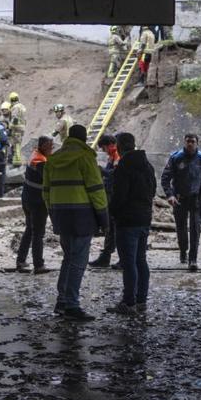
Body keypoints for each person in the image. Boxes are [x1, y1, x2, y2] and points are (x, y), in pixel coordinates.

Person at [43, 124, 108, 322]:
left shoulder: (52, 160)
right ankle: (72, 305)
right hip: (82, 216)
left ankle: (62, 301)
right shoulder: (86, 158)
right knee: (78, 261)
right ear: (84, 138)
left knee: (68, 258)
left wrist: (53, 215)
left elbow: (46, 193)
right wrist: (104, 218)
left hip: (61, 215)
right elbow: (97, 190)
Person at [106, 132, 156, 315]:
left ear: (120, 146)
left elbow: (119, 196)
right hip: (144, 218)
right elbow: (153, 190)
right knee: (140, 260)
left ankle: (128, 302)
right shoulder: (147, 165)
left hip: (127, 221)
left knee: (129, 263)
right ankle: (141, 300)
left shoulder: (124, 166)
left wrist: (112, 213)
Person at [161, 134, 201, 271]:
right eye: (188, 141)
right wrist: (170, 195)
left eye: (192, 142)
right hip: (180, 198)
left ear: (197, 143)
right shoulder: (176, 158)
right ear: (184, 142)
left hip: (196, 199)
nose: (190, 144)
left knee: (195, 229)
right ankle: (183, 251)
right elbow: (165, 178)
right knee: (181, 228)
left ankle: (193, 259)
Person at [17, 136, 54, 274]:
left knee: (29, 230)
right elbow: (49, 178)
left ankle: (20, 261)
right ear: (43, 145)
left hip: (27, 198)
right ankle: (38, 265)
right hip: (37, 201)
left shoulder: (35, 154)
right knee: (38, 233)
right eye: (50, 146)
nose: (52, 148)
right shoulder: (40, 160)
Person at [89, 134, 120, 268]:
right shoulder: (113, 155)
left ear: (108, 145)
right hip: (110, 195)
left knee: (113, 227)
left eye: (103, 148)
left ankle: (111, 257)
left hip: (114, 196)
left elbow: (116, 174)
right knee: (111, 227)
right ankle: (106, 256)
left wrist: (102, 171)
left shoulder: (117, 155)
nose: (103, 151)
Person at [8, 92, 28, 167]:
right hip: (21, 128)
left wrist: (10, 127)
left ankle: (17, 162)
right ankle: (17, 161)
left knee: (16, 145)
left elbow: (15, 118)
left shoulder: (15, 107)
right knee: (18, 144)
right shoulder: (22, 106)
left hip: (16, 129)